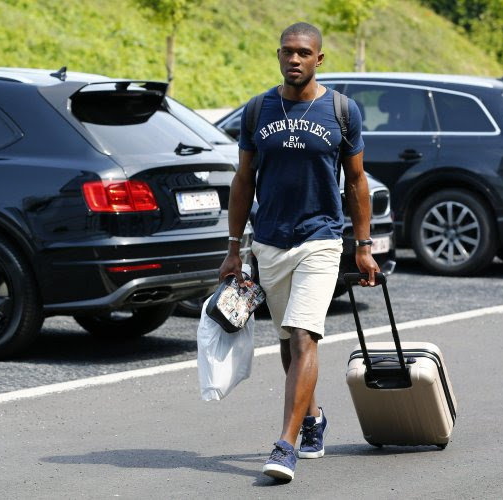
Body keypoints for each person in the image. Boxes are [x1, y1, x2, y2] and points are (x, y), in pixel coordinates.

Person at [218, 21, 379, 482]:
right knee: (289, 341)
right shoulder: (257, 111)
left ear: (318, 59)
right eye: (288, 52)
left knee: (305, 335)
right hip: (270, 241)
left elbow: (357, 180)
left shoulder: (341, 111)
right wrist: (235, 248)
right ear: (278, 55)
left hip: (320, 240)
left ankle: (285, 444)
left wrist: (363, 246)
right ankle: (312, 419)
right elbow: (243, 181)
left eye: (304, 53)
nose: (295, 59)